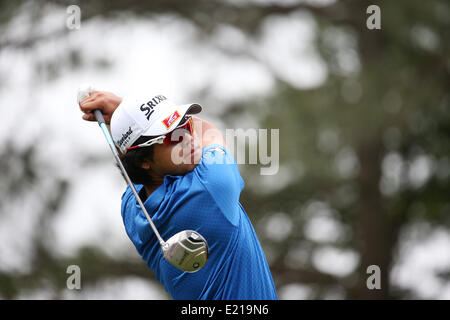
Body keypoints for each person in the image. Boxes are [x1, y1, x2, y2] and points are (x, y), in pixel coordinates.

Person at [79, 90, 278, 300]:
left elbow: (128, 161)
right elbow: (209, 132)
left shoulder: (132, 208)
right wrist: (122, 107)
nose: (188, 138)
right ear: (143, 161)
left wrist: (127, 117)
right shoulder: (211, 185)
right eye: (171, 137)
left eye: (185, 124)